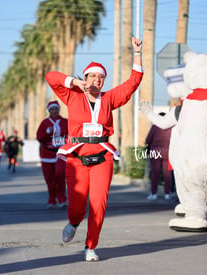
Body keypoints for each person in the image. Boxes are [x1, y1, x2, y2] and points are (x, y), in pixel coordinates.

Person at [45, 37, 144, 262]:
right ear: (86, 77)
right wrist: (72, 82)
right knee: (77, 207)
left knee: (98, 204)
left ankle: (90, 246)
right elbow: (51, 77)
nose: (97, 80)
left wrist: (137, 53)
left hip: (102, 157)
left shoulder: (109, 99)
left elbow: (133, 82)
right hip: (77, 158)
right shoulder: (72, 96)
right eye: (92, 76)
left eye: (101, 77)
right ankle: (73, 222)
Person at [36, 101, 68, 209]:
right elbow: (39, 138)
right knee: (50, 180)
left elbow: (71, 134)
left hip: (61, 154)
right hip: (47, 156)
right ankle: (52, 199)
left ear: (59, 110)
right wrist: (47, 132)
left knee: (60, 175)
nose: (54, 111)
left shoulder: (65, 122)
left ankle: (62, 199)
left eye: (56, 109)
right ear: (49, 111)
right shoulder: (44, 123)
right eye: (52, 109)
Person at [145, 112, 173, 200]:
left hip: (156, 152)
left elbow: (148, 140)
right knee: (167, 174)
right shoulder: (171, 128)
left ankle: (153, 194)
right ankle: (167, 194)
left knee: (155, 173)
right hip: (168, 153)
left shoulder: (155, 127)